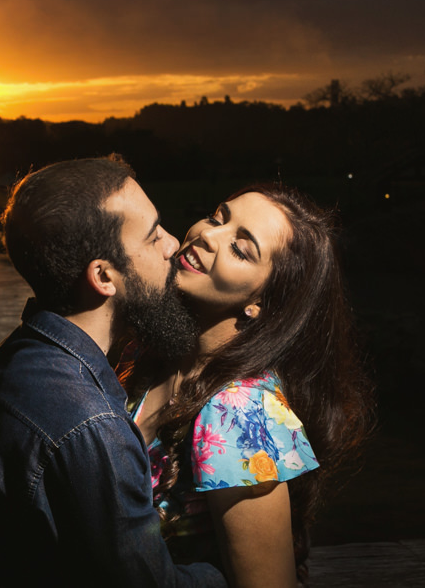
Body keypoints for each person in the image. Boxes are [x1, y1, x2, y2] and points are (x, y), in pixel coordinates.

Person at [0, 156, 225, 587]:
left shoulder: (12, 359)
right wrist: (234, 574)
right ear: (103, 275)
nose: (174, 243)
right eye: (154, 236)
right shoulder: (91, 425)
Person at [116, 184, 373, 587]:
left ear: (262, 302)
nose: (206, 234)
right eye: (218, 217)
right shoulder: (148, 354)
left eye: (241, 249)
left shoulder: (240, 414)